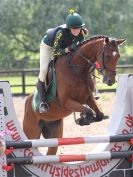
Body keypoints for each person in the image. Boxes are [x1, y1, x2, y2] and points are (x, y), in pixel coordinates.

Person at [37, 9, 89, 113]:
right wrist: (68, 49)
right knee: (44, 69)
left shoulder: (81, 33)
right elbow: (55, 52)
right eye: (74, 29)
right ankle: (42, 101)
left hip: (63, 46)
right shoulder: (61, 33)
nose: (76, 31)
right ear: (69, 28)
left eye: (78, 28)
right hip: (48, 46)